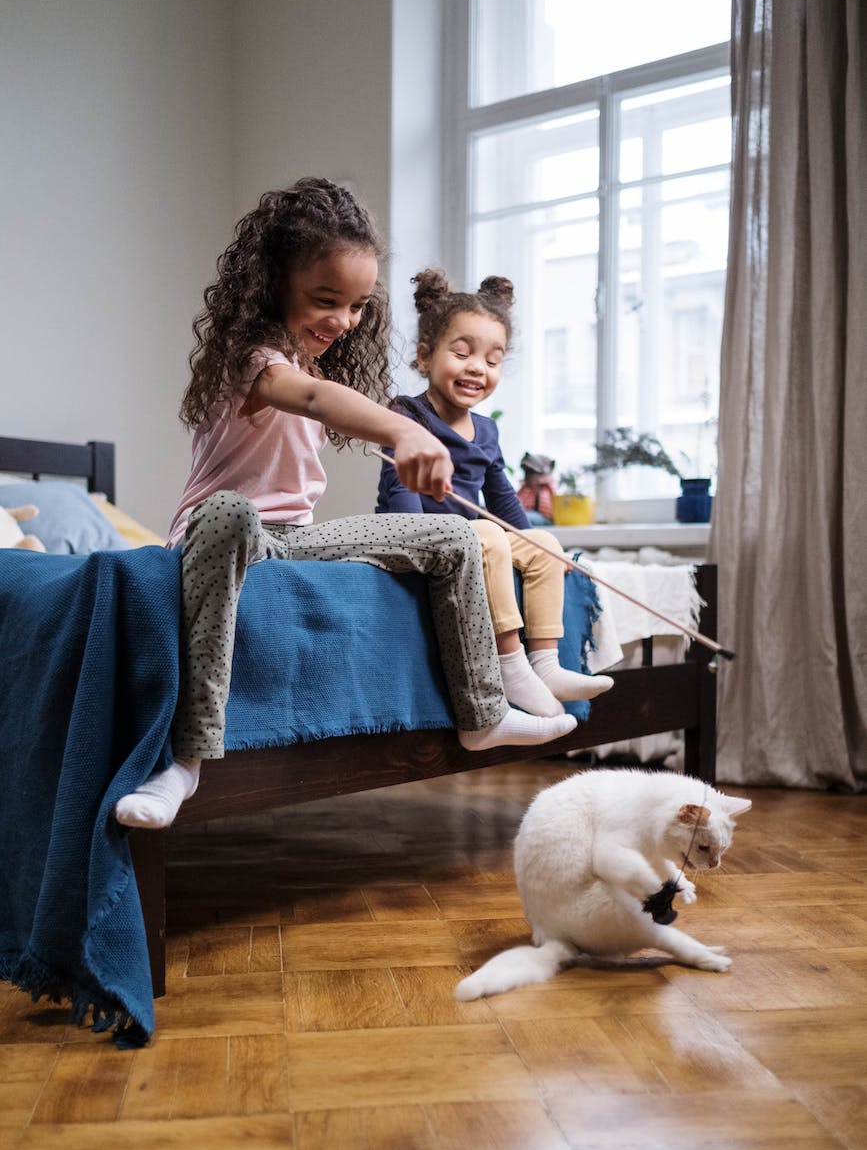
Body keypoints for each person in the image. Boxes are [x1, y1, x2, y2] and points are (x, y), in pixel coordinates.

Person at [115, 181, 578, 830]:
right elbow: (306, 397)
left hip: (292, 540)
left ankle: (481, 713)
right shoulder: (255, 361)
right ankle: (184, 762)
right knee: (227, 509)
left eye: (358, 306)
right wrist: (404, 429)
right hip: (226, 533)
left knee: (452, 540)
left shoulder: (314, 363)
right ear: (275, 282)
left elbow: (322, 397)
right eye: (326, 300)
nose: (343, 320)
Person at [376, 268, 614, 718]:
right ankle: (509, 664)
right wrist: (418, 545)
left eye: (492, 360)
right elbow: (399, 487)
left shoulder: (486, 429)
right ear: (425, 357)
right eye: (462, 353)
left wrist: (531, 546)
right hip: (417, 533)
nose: (477, 368)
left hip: (468, 536)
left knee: (543, 542)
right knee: (482, 536)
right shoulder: (407, 414)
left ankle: (544, 662)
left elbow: (501, 496)